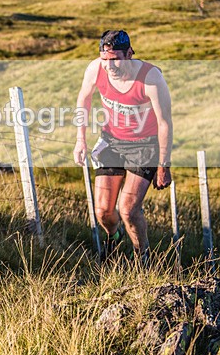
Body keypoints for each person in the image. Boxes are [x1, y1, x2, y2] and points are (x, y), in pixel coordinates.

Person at [73, 30, 172, 264]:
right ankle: (114, 237)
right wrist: (80, 139)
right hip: (111, 142)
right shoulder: (96, 69)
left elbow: (164, 123)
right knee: (103, 211)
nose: (110, 66)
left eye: (115, 59)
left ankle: (142, 258)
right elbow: (83, 99)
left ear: (129, 54)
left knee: (127, 210)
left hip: (144, 146)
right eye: (105, 59)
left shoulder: (150, 78)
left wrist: (163, 165)